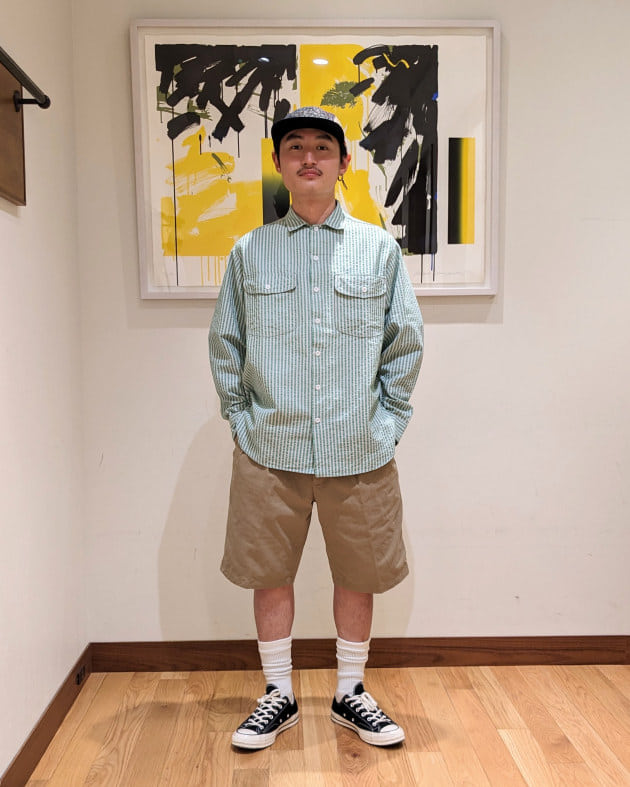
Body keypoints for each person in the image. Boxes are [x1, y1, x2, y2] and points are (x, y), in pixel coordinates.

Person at [208, 106, 423, 750]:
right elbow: (225, 343)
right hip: (269, 450)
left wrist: (389, 423)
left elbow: (405, 343)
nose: (309, 157)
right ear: (279, 162)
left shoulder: (378, 250)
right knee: (268, 571)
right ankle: (277, 693)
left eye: (323, 147)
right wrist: (241, 420)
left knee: (360, 572)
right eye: (295, 146)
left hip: (360, 449)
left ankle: (350, 691)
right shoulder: (250, 252)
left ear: (343, 163)